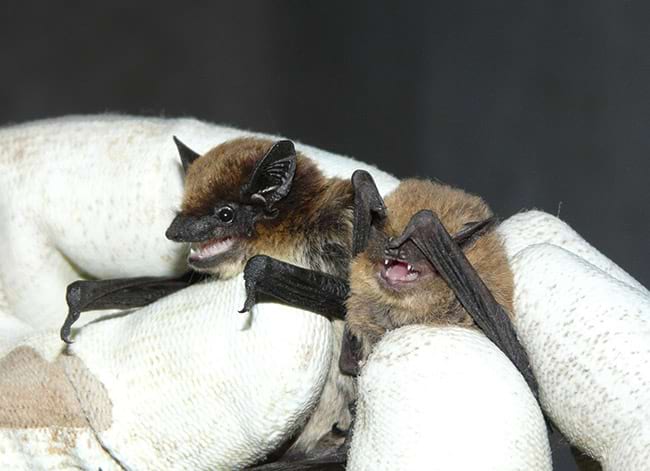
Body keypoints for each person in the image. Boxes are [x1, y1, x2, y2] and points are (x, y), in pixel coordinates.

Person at [0, 116, 647, 470]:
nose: (182, 231)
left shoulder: (335, 234)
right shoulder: (340, 253)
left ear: (270, 198)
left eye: (222, 217)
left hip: (366, 389)